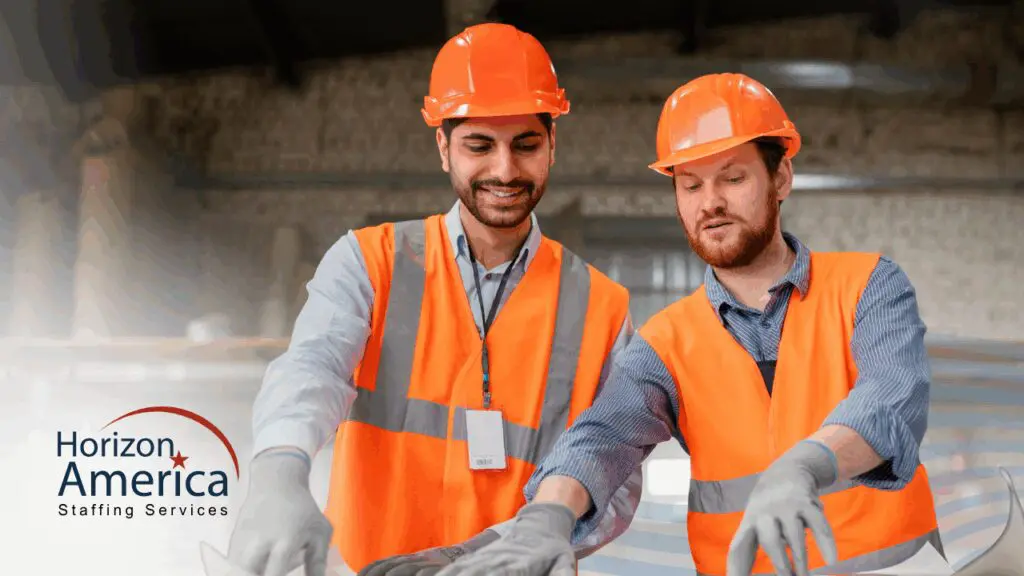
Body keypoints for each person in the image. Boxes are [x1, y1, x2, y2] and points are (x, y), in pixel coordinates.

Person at [426, 73, 943, 576]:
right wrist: (544, 518)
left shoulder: (867, 285)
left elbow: (890, 397)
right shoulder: (666, 345)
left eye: (733, 178)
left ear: (780, 177)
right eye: (690, 185)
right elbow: (601, 437)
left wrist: (805, 464)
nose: (710, 202)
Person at [223, 22, 643, 576]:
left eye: (525, 144)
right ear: (443, 147)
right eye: (479, 145)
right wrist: (279, 468)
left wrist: (478, 553)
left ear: (552, 146)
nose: (504, 169)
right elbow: (312, 367)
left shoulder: (602, 308)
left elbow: (615, 472)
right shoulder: (369, 263)